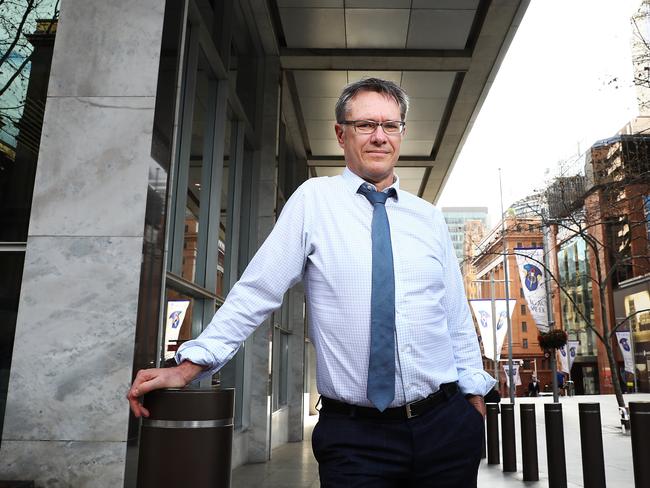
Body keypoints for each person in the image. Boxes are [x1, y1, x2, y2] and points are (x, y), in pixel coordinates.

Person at [127, 78, 496, 487]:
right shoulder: (313, 201)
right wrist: (190, 366)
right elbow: (258, 290)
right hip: (356, 440)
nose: (379, 137)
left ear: (402, 134)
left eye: (390, 126)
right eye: (365, 125)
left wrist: (473, 399)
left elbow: (456, 317)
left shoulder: (428, 218)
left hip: (443, 428)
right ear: (341, 133)